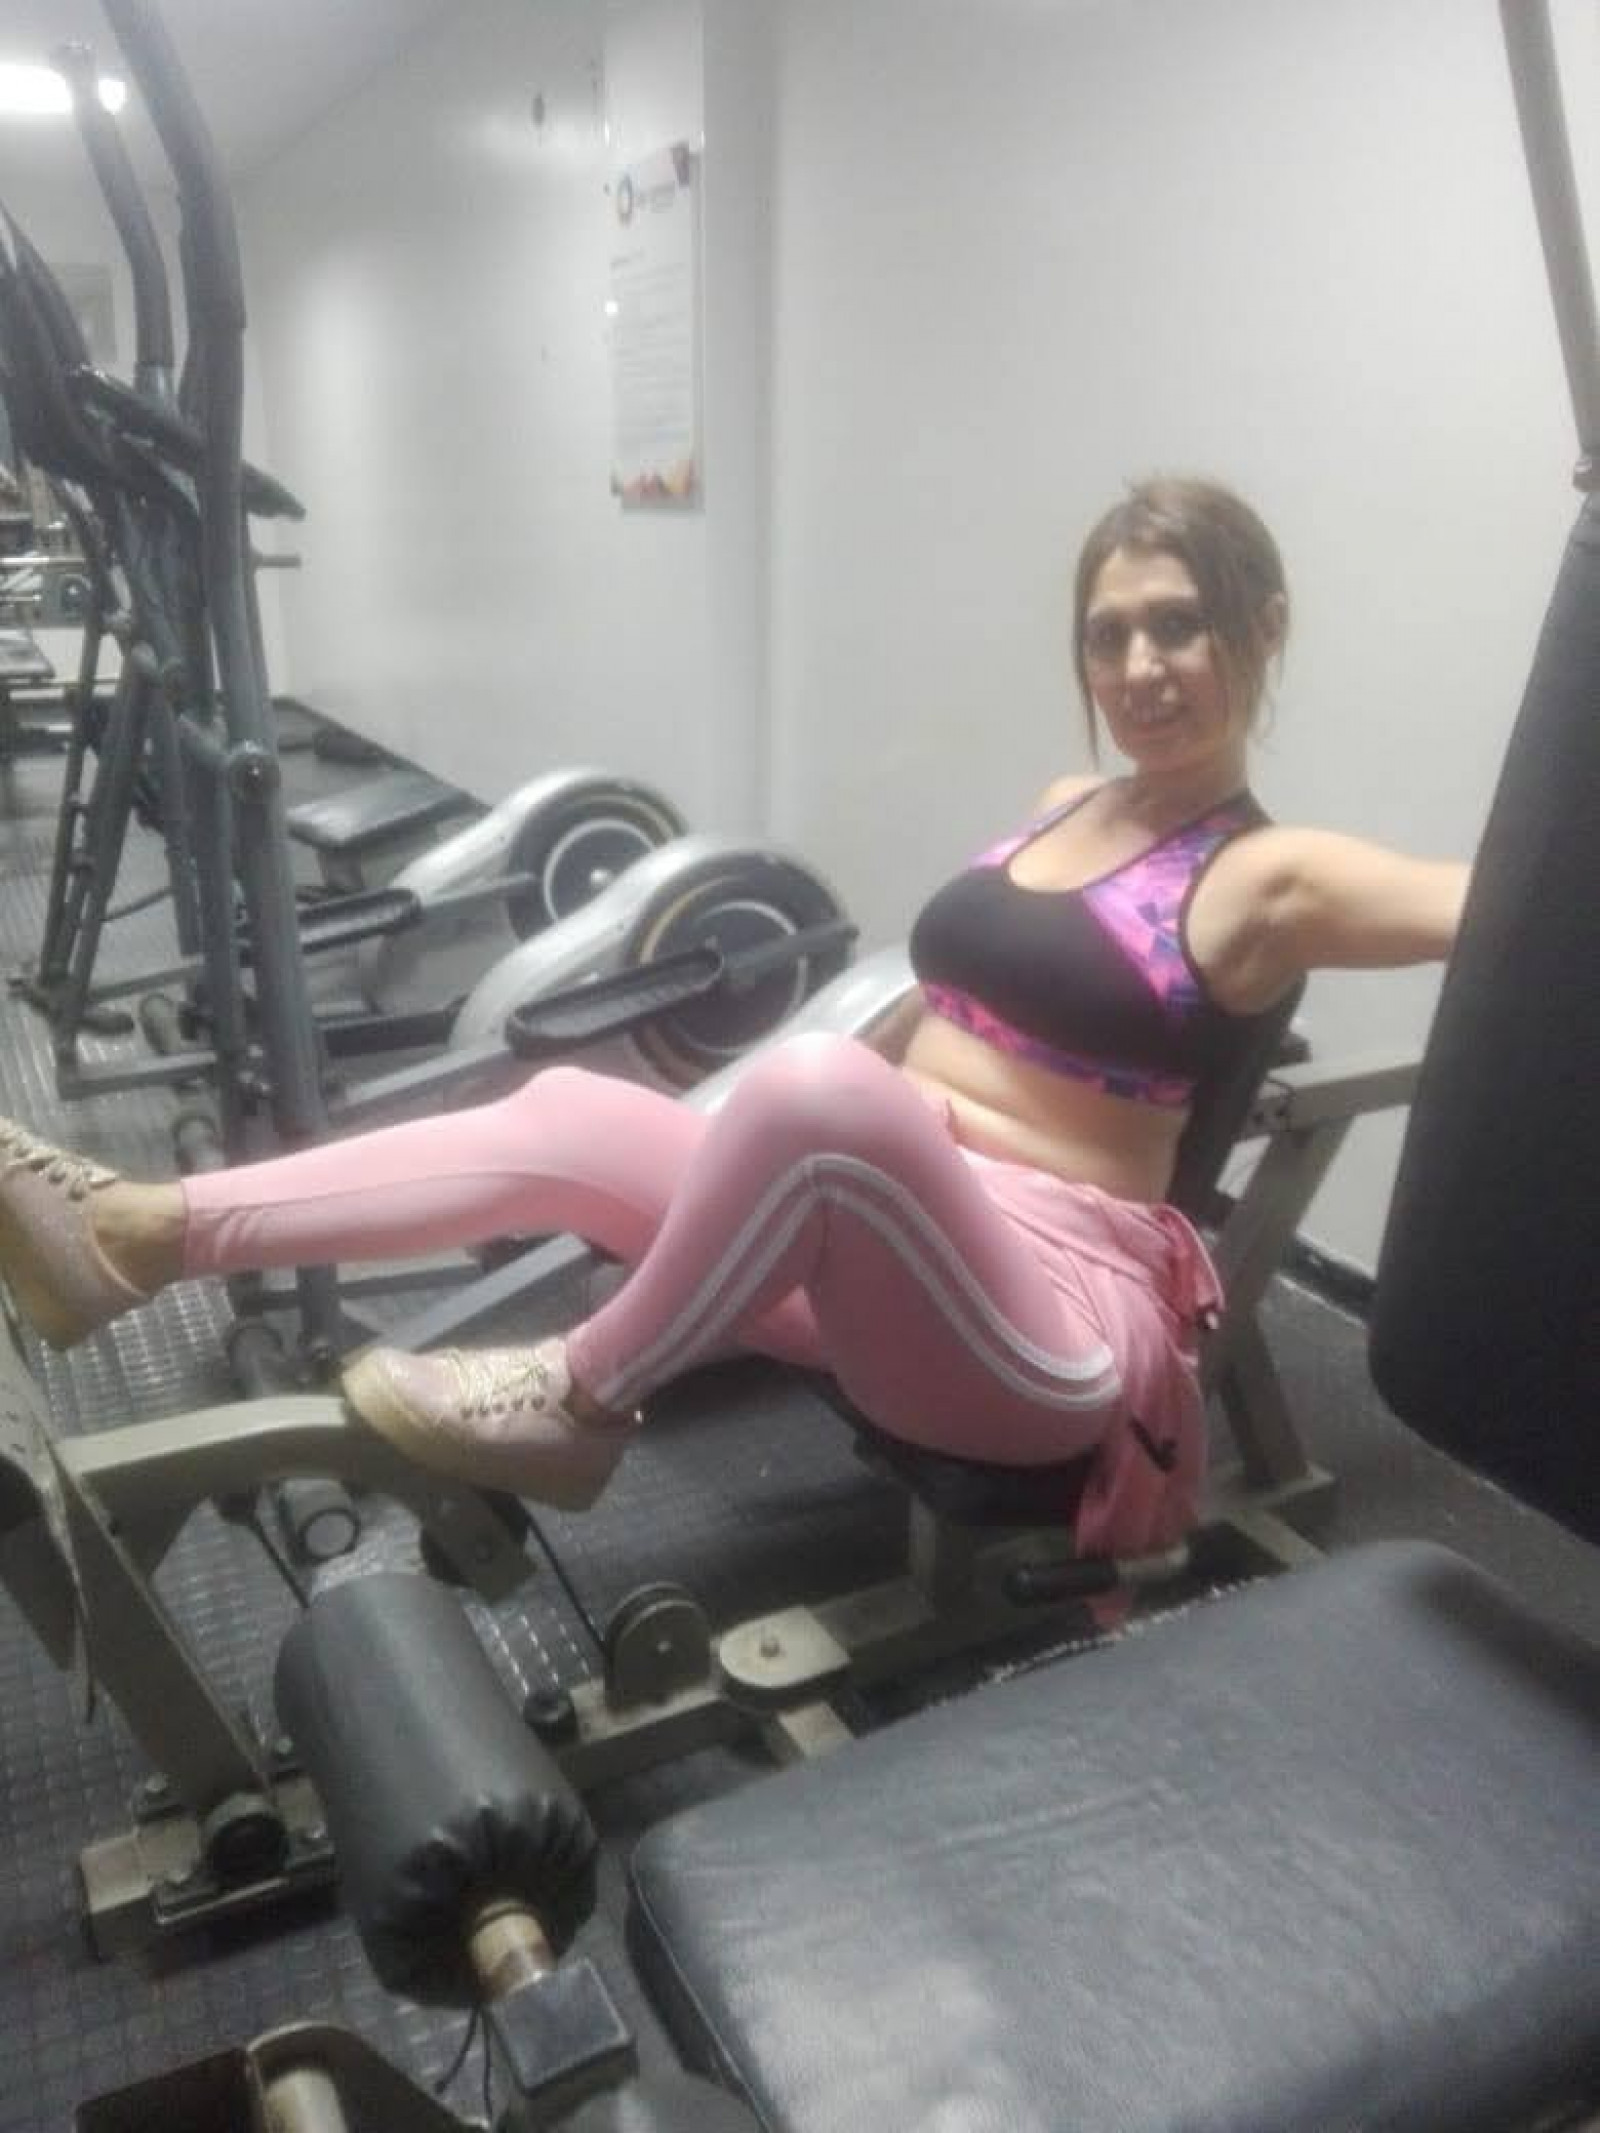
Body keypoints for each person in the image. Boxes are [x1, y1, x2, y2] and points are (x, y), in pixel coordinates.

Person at [0, 477, 1469, 1560]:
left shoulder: (1272, 875)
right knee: (572, 1111)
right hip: (887, 1248)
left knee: (817, 1091)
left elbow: (1509, 904)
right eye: (1110, 635)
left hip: (1044, 1336)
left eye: (1181, 627)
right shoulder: (1065, 804)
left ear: (1262, 629)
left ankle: (582, 1395)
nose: (1140, 670)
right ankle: (133, 1236)